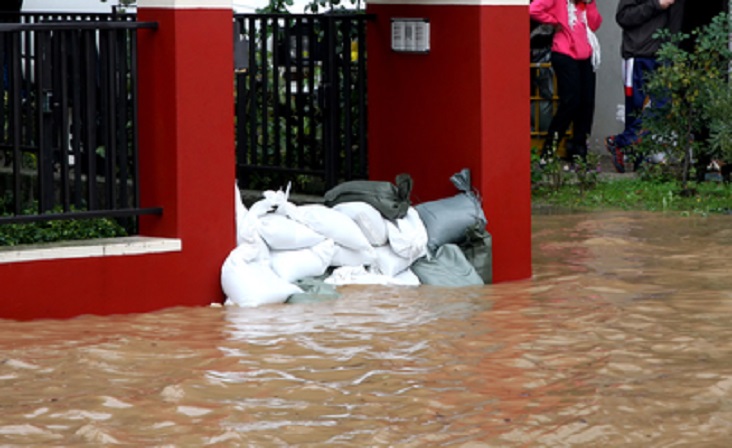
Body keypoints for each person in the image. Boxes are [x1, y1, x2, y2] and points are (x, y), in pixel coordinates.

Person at [605, 0, 685, 173]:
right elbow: (623, 17)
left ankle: (619, 142)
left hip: (664, 56)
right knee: (635, 108)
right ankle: (637, 160)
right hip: (639, 54)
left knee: (662, 105)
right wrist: (657, 4)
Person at [529, 0, 602, 167]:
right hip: (564, 53)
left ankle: (579, 153)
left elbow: (595, 23)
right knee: (570, 102)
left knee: (587, 104)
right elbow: (534, 9)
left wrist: (590, 4)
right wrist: (555, 21)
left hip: (586, 55)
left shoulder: (585, 3)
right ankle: (548, 151)